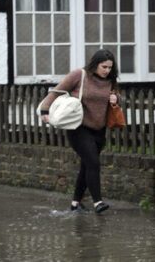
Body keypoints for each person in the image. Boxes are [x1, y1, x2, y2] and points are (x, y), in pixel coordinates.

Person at [40, 49, 119, 214]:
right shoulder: (79, 75)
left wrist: (116, 98)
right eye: (104, 67)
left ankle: (75, 204)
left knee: (87, 165)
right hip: (78, 128)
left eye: (110, 68)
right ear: (95, 64)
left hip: (99, 130)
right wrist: (45, 111)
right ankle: (98, 202)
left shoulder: (110, 80)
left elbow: (117, 98)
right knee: (93, 163)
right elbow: (56, 91)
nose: (107, 71)